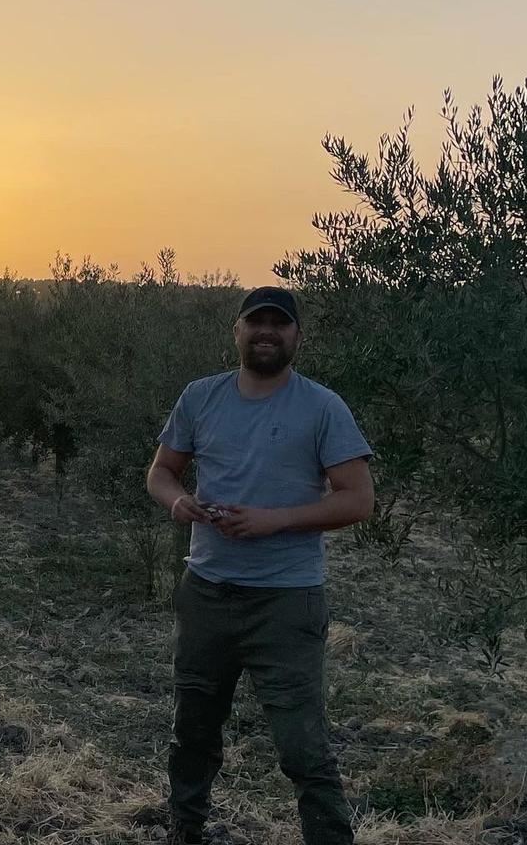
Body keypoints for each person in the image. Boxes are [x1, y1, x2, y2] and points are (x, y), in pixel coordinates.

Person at [145, 286, 373, 845]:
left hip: (286, 602)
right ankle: (184, 831)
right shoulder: (200, 397)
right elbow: (161, 472)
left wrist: (276, 520)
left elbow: (357, 499)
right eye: (256, 322)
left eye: (279, 324)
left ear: (296, 336)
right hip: (207, 593)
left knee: (302, 746)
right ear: (237, 331)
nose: (266, 332)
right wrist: (179, 502)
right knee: (193, 731)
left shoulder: (322, 407)